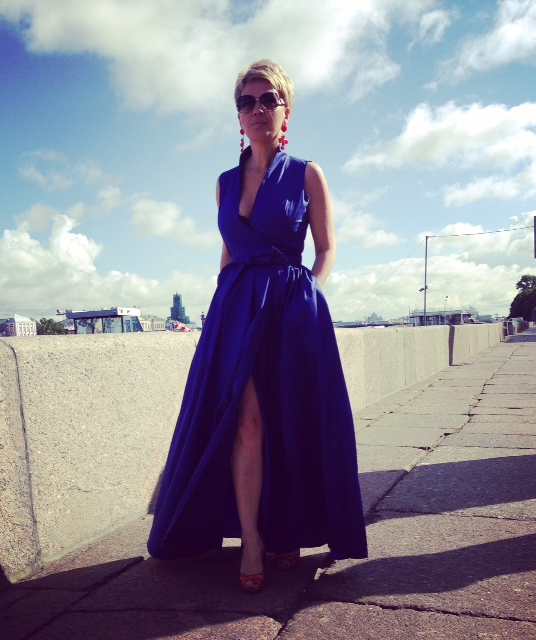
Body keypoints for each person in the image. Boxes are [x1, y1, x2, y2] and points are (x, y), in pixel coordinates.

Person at [147, 59, 368, 593]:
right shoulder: (224, 183)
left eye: (269, 99)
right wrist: (223, 306)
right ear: (238, 116)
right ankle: (251, 537)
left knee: (288, 420)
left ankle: (286, 530)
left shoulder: (307, 173)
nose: (258, 108)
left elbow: (327, 247)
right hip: (235, 310)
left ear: (286, 110)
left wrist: (309, 291)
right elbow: (228, 252)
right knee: (245, 424)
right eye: (247, 101)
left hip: (292, 310)